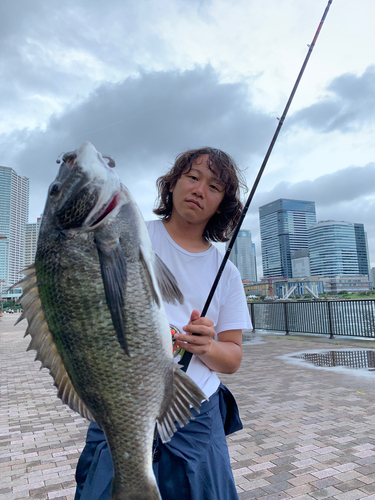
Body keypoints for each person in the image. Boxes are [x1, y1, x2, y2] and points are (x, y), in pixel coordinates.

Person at [74, 147, 252, 500]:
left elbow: (232, 359)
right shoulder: (127, 232)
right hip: (122, 400)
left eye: (214, 187)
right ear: (172, 185)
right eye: (192, 177)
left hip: (195, 411)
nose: (200, 189)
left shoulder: (227, 273)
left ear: (222, 204)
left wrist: (208, 346)